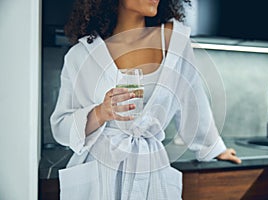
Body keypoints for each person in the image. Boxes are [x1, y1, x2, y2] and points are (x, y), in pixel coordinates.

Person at [50, 0, 242, 199]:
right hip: (99, 171)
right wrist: (100, 112)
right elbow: (61, 126)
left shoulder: (174, 41)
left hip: (150, 167)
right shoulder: (81, 55)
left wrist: (213, 148)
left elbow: (192, 98)